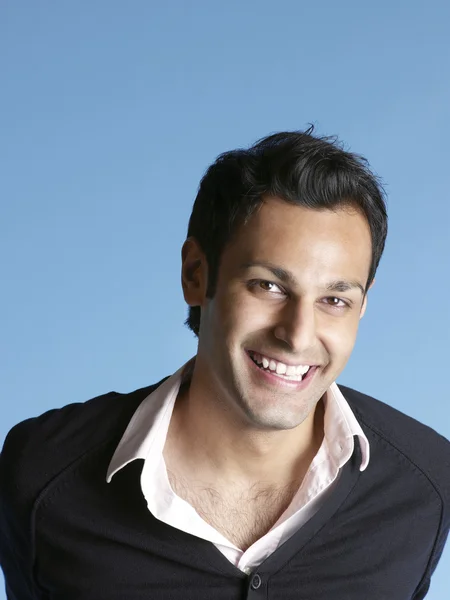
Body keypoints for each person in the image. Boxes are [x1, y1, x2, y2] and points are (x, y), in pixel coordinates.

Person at [1, 129, 449, 600]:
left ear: (363, 305)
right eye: (268, 286)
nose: (297, 334)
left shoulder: (423, 488)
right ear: (196, 275)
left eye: (334, 299)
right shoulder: (45, 476)